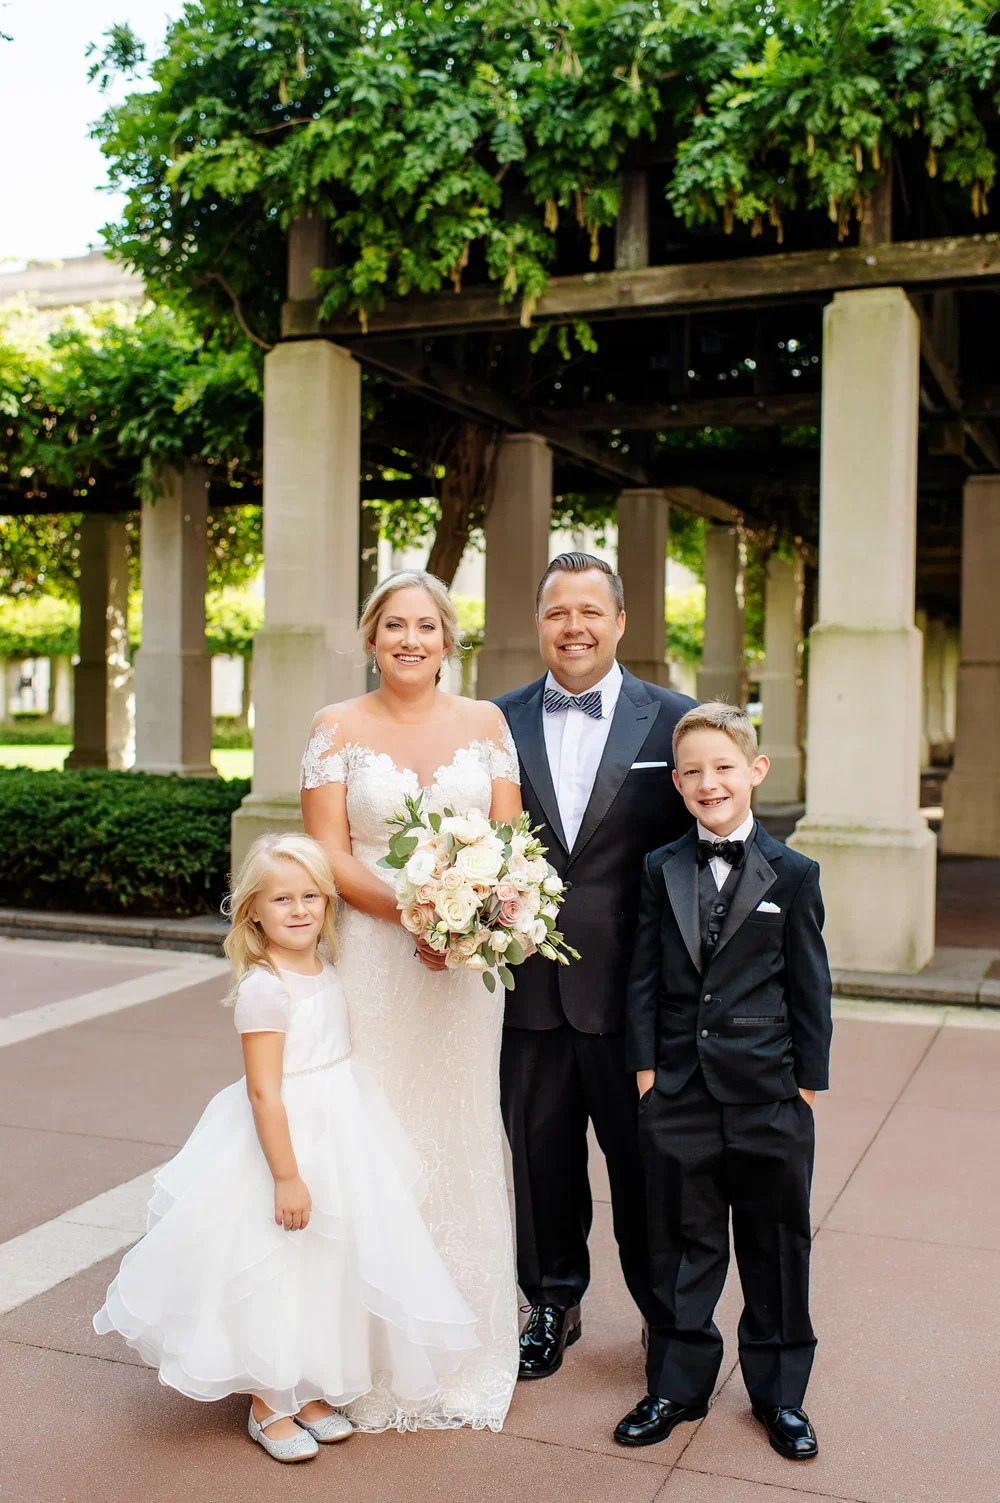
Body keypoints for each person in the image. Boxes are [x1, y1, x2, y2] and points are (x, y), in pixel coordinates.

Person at [94, 833, 478, 1464]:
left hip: (342, 1127)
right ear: (252, 911)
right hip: (287, 1141)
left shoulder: (324, 967)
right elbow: (264, 1092)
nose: (299, 910)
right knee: (279, 1264)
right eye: (281, 899)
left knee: (325, 1264)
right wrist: (286, 1176)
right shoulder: (265, 988)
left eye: (311, 897)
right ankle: (268, 1402)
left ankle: (309, 1389)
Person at [300, 570, 520, 1432]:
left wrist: (464, 924)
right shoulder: (335, 726)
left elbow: (507, 840)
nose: (410, 639)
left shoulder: (487, 724)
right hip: (374, 962)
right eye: (394, 624)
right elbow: (328, 852)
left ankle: (461, 1348)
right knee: (372, 1135)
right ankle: (365, 1350)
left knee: (459, 1126)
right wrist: (420, 912)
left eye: (426, 625)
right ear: (371, 636)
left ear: (448, 638)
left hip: (463, 974)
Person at [494, 552, 696, 1380]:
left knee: (647, 1164)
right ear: (538, 623)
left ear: (619, 622)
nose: (572, 626)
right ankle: (551, 1301)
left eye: (588, 611)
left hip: (635, 993)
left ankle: (664, 1312)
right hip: (528, 985)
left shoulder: (675, 720)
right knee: (538, 1158)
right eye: (556, 612)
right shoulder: (493, 722)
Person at [616, 701, 832, 1459]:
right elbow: (642, 977)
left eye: (724, 768)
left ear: (755, 771)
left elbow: (810, 988)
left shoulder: (795, 875)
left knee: (777, 1244)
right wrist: (648, 1076)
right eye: (694, 772)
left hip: (769, 1094)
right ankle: (676, 1386)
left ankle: (781, 1395)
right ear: (677, 783)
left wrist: (804, 1089)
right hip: (677, 1093)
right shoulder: (660, 867)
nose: (710, 783)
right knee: (681, 1243)